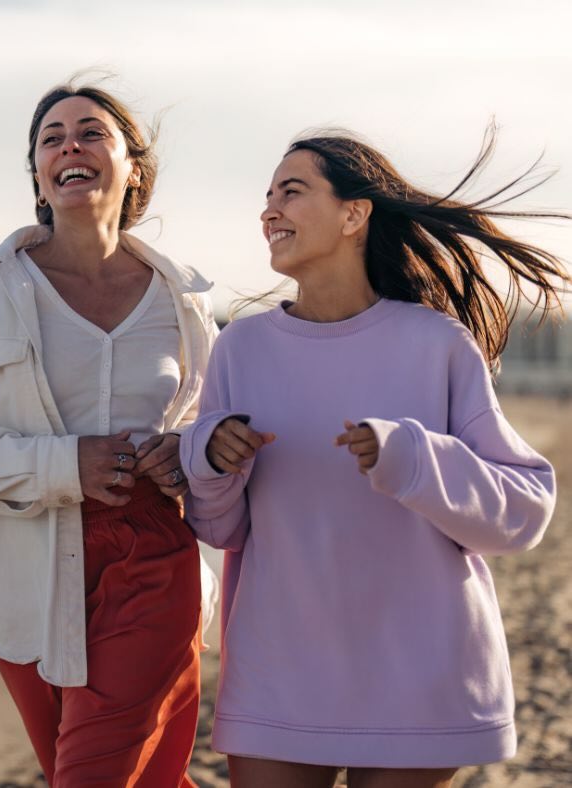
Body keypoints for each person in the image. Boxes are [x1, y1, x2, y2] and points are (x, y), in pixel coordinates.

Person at [179, 129, 571, 788]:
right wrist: (213, 458)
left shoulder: (437, 343)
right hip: (280, 668)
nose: (269, 210)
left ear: (354, 213)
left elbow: (525, 509)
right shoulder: (239, 348)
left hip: (419, 670)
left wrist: (415, 458)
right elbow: (220, 530)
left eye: (292, 191)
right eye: (267, 196)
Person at [0, 81, 219, 787]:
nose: (70, 144)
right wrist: (64, 466)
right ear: (39, 174)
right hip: (22, 574)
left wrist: (183, 455)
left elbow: (206, 430)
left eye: (91, 131)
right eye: (52, 137)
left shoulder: (183, 304)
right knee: (133, 775)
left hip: (153, 558)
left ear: (133, 165)